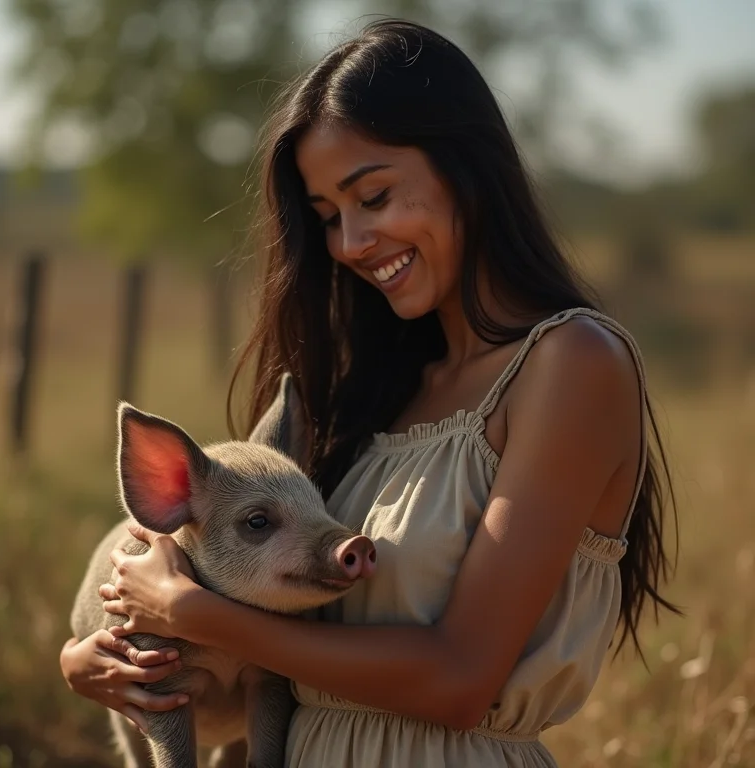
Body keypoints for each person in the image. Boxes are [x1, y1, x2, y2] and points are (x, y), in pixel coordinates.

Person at [59, 17, 679, 767]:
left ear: (464, 166)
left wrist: (193, 614)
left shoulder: (571, 362)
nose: (351, 243)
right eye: (328, 218)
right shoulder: (376, 384)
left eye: (375, 196)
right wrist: (93, 661)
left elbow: (459, 677)